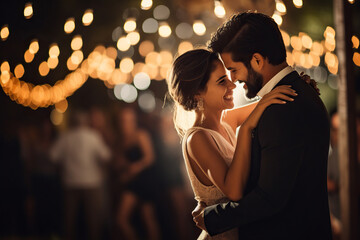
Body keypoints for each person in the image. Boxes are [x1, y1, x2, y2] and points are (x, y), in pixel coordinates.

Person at [191, 12, 332, 240]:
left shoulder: (283, 108)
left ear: (257, 60)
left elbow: (269, 198)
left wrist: (212, 217)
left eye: (234, 70)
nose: (233, 80)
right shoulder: (288, 95)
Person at [167, 48, 298, 239]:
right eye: (222, 81)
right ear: (197, 93)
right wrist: (245, 129)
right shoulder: (197, 138)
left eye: (228, 77)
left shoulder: (227, 120)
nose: (232, 85)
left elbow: (273, 101)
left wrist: (298, 88)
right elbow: (234, 191)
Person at [50, 110, 111, 240]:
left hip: (70, 182)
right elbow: (106, 156)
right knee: (93, 220)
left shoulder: (66, 137)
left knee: (69, 220)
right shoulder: (93, 136)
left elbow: (52, 157)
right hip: (92, 183)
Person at [114, 107, 160, 240]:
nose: (126, 122)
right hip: (131, 182)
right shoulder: (121, 139)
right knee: (122, 220)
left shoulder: (140, 134)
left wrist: (135, 167)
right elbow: (119, 162)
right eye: (123, 120)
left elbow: (150, 157)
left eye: (129, 119)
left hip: (144, 181)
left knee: (148, 220)